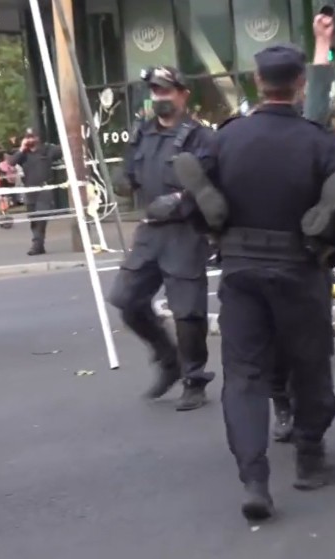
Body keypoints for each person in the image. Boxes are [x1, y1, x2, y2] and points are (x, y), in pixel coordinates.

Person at [201, 31, 335, 520]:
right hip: (298, 267)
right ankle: (309, 458)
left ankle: (254, 481)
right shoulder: (318, 142)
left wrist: (213, 222)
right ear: (299, 83)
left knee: (244, 376)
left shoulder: (226, 138)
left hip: (241, 267)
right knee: (309, 366)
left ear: (257, 82)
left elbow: (195, 204)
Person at [107, 66, 216, 411]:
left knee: (187, 313)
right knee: (126, 299)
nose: (160, 97)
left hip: (186, 232)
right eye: (155, 91)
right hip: (150, 232)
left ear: (183, 94)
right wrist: (121, 181)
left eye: (166, 91)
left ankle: (194, 379)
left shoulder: (200, 138)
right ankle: (168, 358)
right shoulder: (143, 133)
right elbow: (130, 175)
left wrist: (182, 200)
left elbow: (212, 185)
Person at [6, 128, 62, 255]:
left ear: (38, 138)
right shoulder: (23, 154)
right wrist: (21, 148)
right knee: (33, 220)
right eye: (27, 137)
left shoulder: (47, 150)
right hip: (30, 191)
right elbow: (11, 162)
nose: (29, 139)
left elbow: (63, 150)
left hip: (44, 190)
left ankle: (36, 246)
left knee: (41, 217)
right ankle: (40, 246)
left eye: (32, 136)